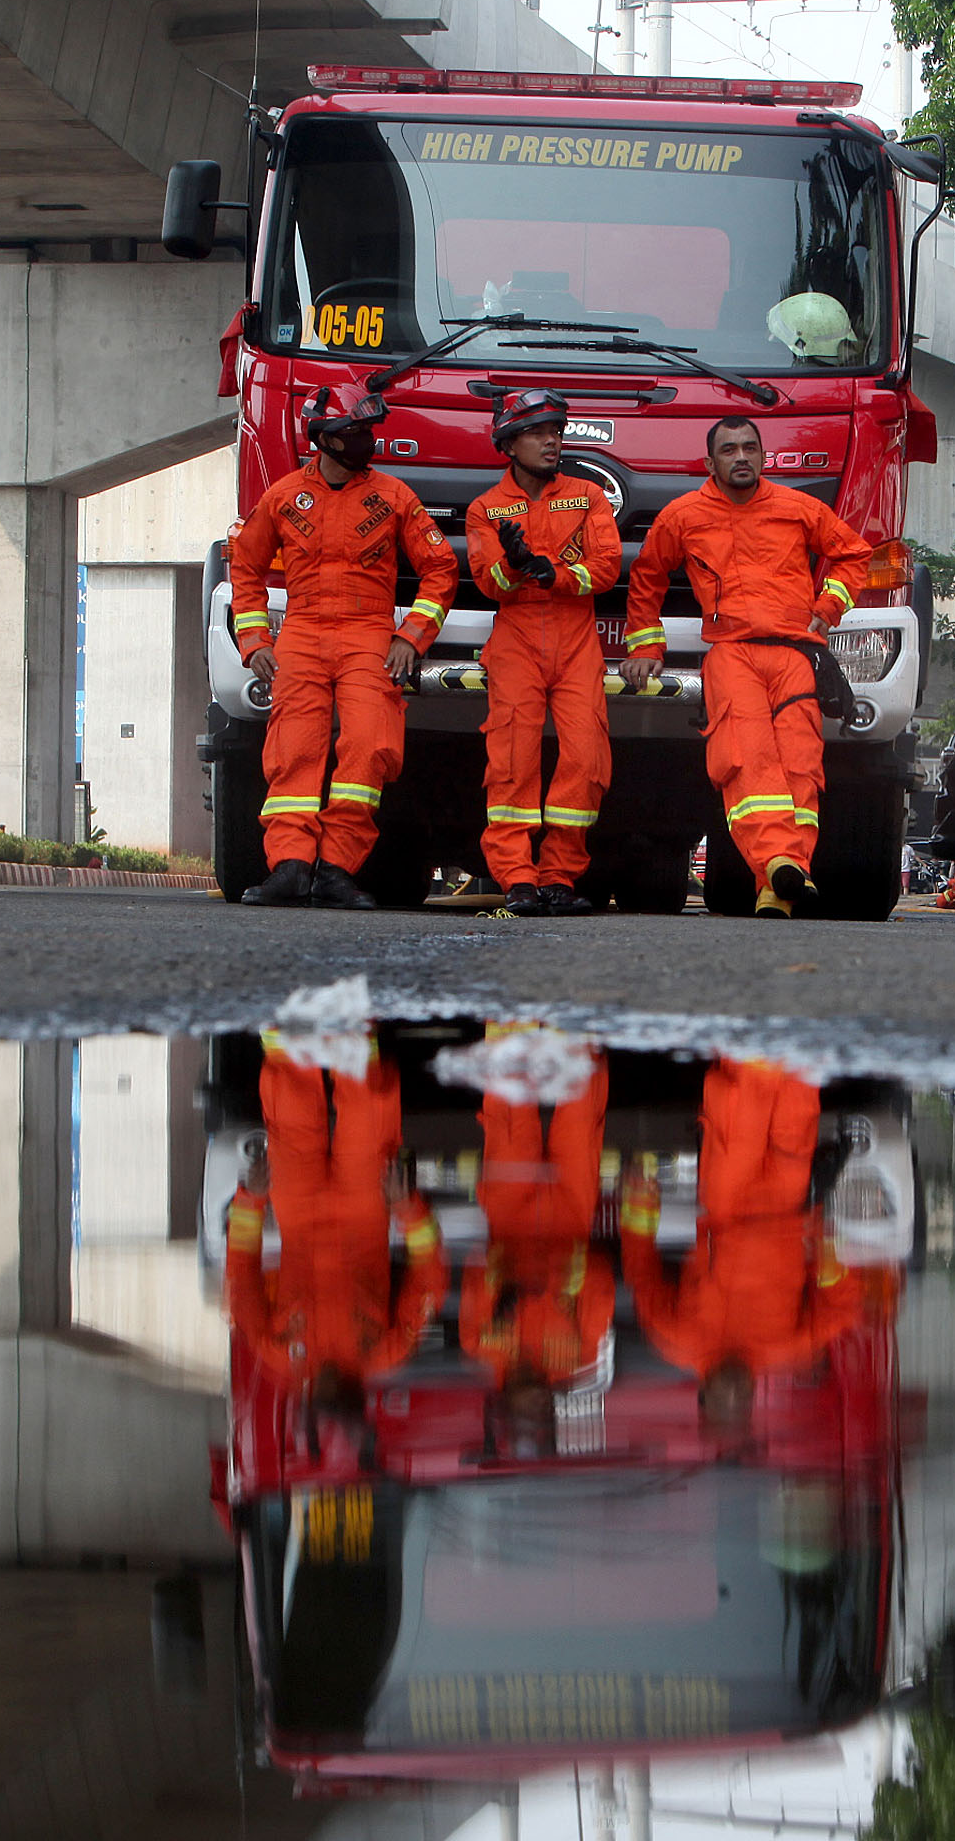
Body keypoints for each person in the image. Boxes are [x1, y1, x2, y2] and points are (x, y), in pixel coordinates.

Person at [622, 417, 873, 917]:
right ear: (710, 462)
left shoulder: (797, 508)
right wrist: (646, 648)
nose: (741, 457)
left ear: (763, 457)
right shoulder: (683, 515)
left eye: (750, 448)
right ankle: (782, 863)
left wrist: (827, 609)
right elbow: (646, 577)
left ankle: (780, 882)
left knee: (801, 763)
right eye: (729, 449)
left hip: (794, 655)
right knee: (746, 757)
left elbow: (854, 555)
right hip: (732, 653)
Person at [227, 383, 459, 909]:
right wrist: (254, 639)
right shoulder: (284, 496)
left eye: (366, 432)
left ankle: (337, 869)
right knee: (293, 753)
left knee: (370, 747)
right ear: (325, 440)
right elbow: (245, 567)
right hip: (303, 635)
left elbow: (440, 569)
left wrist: (411, 637)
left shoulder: (395, 497)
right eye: (355, 433)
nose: (366, 442)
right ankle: (289, 867)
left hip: (369, 636)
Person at [619, 1057, 895, 1454]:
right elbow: (842, 1307)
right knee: (797, 1103)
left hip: (726, 1203)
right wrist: (821, 1244)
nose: (734, 1393)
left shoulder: (675, 1340)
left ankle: (752, 1030)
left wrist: (641, 1197)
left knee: (741, 1107)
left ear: (702, 1395)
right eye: (742, 1403)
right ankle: (796, 1038)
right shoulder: (786, 1350)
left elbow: (641, 1269)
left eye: (722, 1402)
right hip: (788, 1202)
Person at [224, 1027, 449, 1465]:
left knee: (290, 1107)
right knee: (367, 1111)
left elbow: (240, 1276)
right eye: (337, 1401)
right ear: (354, 1402)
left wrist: (250, 1200)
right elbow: (430, 1276)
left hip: (297, 1208)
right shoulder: (387, 1351)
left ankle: (287, 1024)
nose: (326, 1390)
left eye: (320, 1402)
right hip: (365, 1210)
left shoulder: (276, 1352)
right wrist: (407, 1209)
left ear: (308, 1405)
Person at [462, 391, 624, 917]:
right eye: (538, 432)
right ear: (508, 443)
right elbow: (489, 584)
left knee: (585, 758)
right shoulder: (485, 509)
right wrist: (513, 564)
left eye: (557, 429)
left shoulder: (588, 495)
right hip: (517, 640)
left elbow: (606, 566)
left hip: (577, 639)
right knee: (511, 761)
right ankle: (517, 879)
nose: (552, 440)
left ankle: (559, 876)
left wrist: (553, 573)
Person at [460, 1039, 619, 1454]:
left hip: (508, 1212)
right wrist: (559, 1283)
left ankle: (507, 1030)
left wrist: (502, 1288)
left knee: (508, 1115)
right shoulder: (580, 1353)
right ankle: (578, 1030)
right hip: (571, 1213)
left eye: (524, 1413)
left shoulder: (479, 1344)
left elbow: (476, 1270)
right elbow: (602, 1282)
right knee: (582, 1112)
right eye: (541, 1411)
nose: (535, 1403)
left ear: (504, 1408)